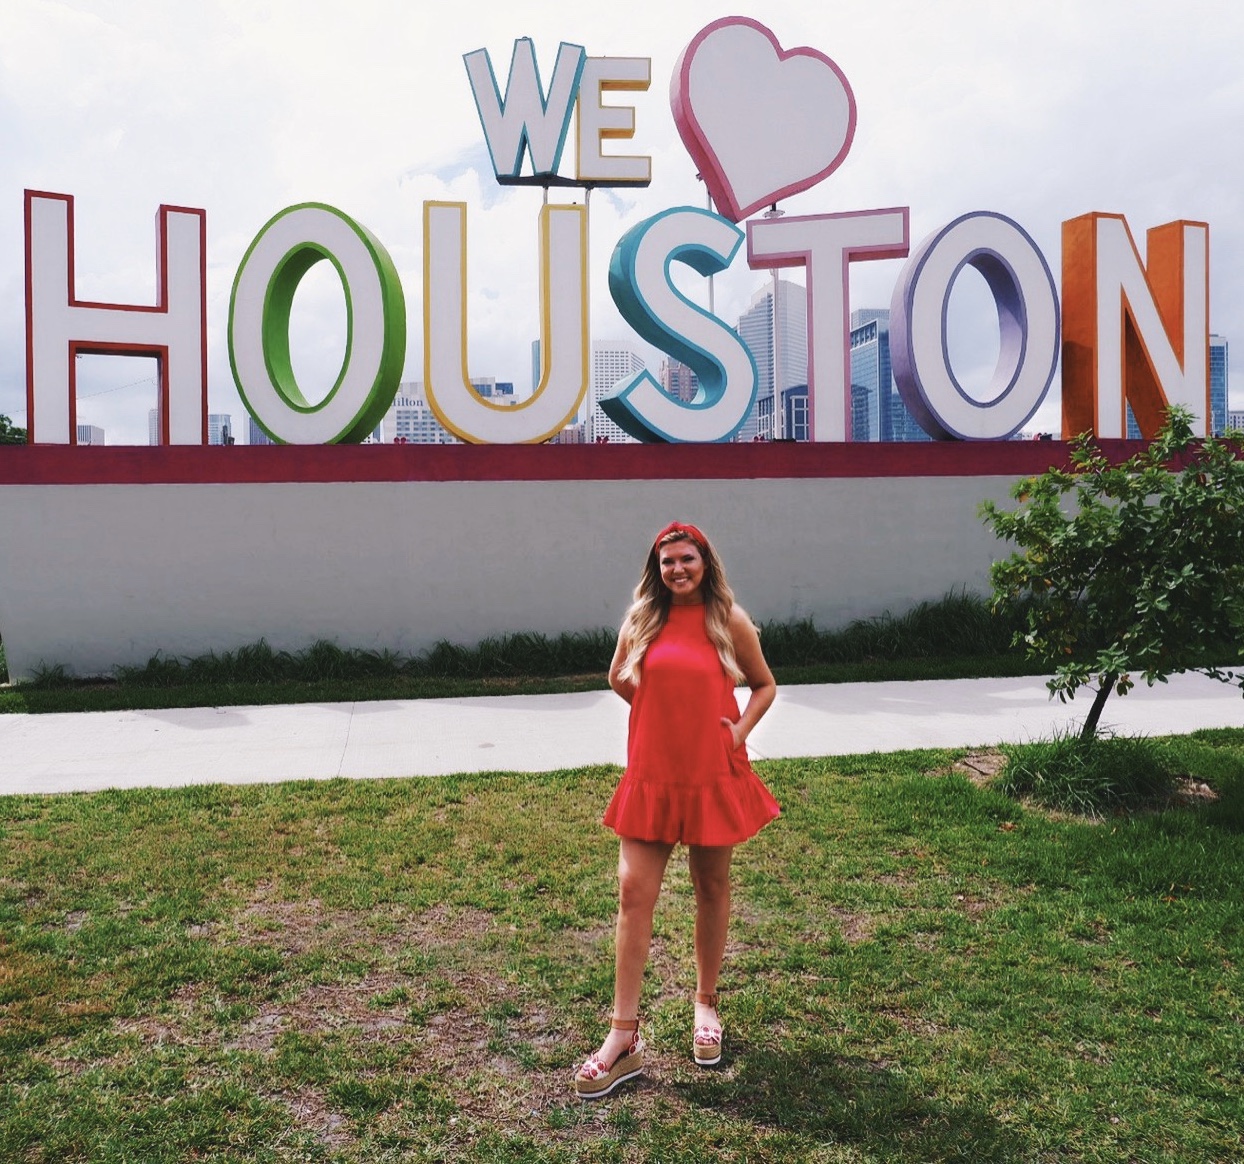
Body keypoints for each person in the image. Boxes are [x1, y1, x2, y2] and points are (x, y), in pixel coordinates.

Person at [573, 520, 780, 1098]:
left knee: (710, 886)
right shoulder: (642, 618)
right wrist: (659, 710)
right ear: (656, 569)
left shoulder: (728, 620)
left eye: (687, 559)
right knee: (633, 892)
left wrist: (737, 732)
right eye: (667, 563)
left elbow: (764, 685)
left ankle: (706, 1005)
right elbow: (617, 677)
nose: (677, 570)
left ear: (704, 563)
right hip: (653, 774)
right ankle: (623, 1039)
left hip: (711, 773)